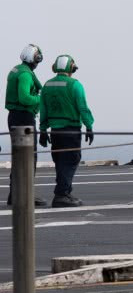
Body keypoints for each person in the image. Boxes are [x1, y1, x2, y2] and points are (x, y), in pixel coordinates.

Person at [39, 54, 94, 208]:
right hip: (71, 130)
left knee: (60, 162)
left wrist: (43, 130)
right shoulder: (75, 85)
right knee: (70, 161)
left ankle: (65, 192)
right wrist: (89, 126)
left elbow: (43, 109)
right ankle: (61, 195)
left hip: (55, 131)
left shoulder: (47, 85)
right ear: (71, 68)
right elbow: (83, 107)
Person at [5, 44, 47, 207]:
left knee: (20, 156)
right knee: (28, 156)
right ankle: (24, 194)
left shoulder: (17, 70)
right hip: (24, 118)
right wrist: (40, 98)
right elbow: (24, 98)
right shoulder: (25, 75)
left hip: (15, 117)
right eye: (38, 59)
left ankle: (15, 194)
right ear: (34, 59)